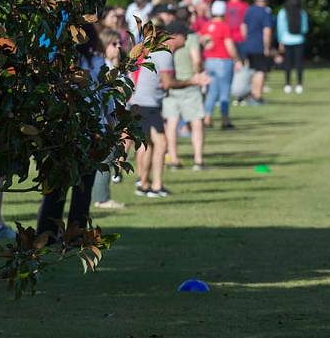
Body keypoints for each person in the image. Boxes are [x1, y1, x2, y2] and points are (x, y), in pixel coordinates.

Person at [37, 33, 111, 240]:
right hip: (90, 130)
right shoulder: (95, 61)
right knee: (83, 189)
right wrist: (110, 124)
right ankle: (75, 234)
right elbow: (107, 95)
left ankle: (47, 232)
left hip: (60, 130)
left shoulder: (53, 62)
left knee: (55, 188)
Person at [131, 24, 210, 197]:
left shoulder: (159, 51)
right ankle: (156, 186)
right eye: (185, 36)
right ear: (175, 37)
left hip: (142, 104)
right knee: (161, 144)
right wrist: (194, 81)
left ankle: (143, 184)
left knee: (151, 145)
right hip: (148, 105)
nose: (187, 40)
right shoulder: (165, 54)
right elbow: (168, 83)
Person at [161, 7, 207, 169]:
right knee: (196, 122)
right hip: (189, 83)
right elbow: (196, 59)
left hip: (170, 84)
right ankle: (198, 160)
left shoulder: (165, 38)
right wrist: (198, 74)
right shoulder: (191, 36)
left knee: (171, 123)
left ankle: (173, 159)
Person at [92, 28, 126, 210]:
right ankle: (102, 199)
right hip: (103, 119)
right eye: (114, 44)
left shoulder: (113, 66)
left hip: (109, 117)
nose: (119, 46)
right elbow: (108, 99)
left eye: (119, 43)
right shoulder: (102, 66)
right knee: (107, 157)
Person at [201, 0, 238, 129]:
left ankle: (207, 117)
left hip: (209, 61)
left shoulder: (207, 25)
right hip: (223, 61)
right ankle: (225, 119)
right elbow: (229, 45)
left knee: (212, 91)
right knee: (224, 92)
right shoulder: (224, 26)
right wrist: (237, 59)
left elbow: (203, 41)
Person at [241, 0, 276, 104]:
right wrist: (267, 47)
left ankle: (251, 95)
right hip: (259, 46)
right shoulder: (266, 12)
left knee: (251, 71)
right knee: (260, 71)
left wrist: (246, 41)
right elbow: (267, 31)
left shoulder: (249, 10)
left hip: (248, 45)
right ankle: (257, 96)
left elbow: (243, 28)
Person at [278, 0, 308, 93]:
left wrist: (280, 41)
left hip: (286, 40)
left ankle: (287, 85)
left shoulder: (283, 12)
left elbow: (280, 28)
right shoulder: (302, 12)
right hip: (299, 40)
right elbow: (305, 28)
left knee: (288, 63)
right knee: (299, 63)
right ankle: (299, 85)